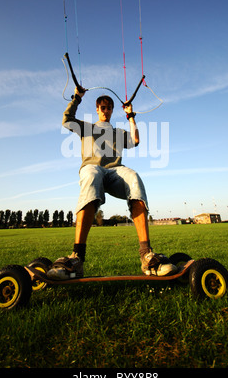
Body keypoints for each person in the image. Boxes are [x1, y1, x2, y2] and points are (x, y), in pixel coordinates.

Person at [47, 87, 177, 279]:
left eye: (109, 108)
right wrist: (77, 98)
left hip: (115, 170)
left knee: (134, 177)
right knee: (91, 175)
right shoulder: (87, 127)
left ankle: (147, 256)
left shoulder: (118, 132)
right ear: (97, 109)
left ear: (111, 110)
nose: (105, 110)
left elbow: (135, 140)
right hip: (93, 167)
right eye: (102, 107)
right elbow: (66, 120)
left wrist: (131, 115)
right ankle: (76, 258)